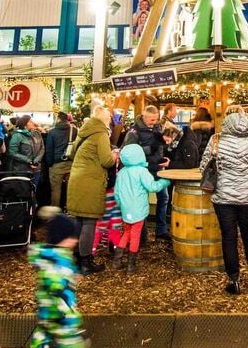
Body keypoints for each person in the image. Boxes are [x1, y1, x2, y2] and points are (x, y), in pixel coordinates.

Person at [199, 112, 248, 295]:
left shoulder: (216, 140)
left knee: (229, 237)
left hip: (223, 197)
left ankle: (234, 280)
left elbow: (203, 166)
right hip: (247, 196)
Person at [29, 211, 102, 348]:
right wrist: (70, 314)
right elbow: (59, 290)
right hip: (59, 310)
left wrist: (74, 273)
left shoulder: (52, 255)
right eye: (73, 237)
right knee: (68, 337)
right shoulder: (59, 265)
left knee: (43, 336)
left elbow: (62, 270)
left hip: (46, 309)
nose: (75, 241)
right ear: (63, 239)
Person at [66, 106, 119, 274]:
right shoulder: (101, 134)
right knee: (89, 222)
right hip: (91, 182)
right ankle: (86, 262)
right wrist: (114, 155)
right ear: (105, 120)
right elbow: (106, 161)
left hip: (77, 179)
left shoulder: (83, 132)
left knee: (79, 221)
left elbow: (72, 153)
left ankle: (76, 258)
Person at [113, 144, 171, 273]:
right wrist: (166, 181)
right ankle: (131, 265)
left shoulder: (122, 172)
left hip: (126, 208)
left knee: (127, 232)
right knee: (135, 235)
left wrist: (121, 205)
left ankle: (117, 261)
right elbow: (152, 187)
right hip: (138, 209)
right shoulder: (142, 171)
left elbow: (116, 192)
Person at [123, 105, 170, 242]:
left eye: (156, 119)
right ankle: (141, 235)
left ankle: (161, 230)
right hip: (143, 170)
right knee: (142, 202)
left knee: (163, 198)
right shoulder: (134, 132)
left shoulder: (157, 127)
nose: (154, 122)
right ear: (144, 116)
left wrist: (165, 148)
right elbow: (129, 152)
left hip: (158, 169)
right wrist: (150, 149)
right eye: (151, 119)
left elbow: (160, 146)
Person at [46, 112, 78, 211]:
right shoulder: (75, 130)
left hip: (57, 164)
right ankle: (70, 210)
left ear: (58, 119)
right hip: (71, 164)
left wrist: (50, 164)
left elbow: (49, 150)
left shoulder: (52, 132)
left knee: (56, 190)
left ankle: (55, 212)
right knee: (71, 190)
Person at [8, 115, 45, 187]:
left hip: (36, 169)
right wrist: (29, 161)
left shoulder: (37, 134)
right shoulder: (17, 135)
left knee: (34, 190)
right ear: (25, 124)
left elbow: (42, 148)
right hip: (22, 170)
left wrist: (36, 161)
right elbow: (13, 152)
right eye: (30, 121)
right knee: (23, 191)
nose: (33, 123)